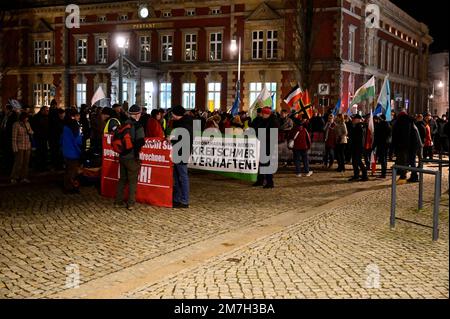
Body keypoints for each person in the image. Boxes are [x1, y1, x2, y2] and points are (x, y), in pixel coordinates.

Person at [115, 105, 145, 210]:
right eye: (140, 113)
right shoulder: (138, 126)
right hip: (131, 157)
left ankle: (118, 201)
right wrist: (136, 154)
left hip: (122, 156)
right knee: (132, 181)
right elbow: (141, 142)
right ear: (137, 115)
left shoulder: (124, 124)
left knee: (122, 179)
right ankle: (131, 203)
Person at [170, 105, 193, 208]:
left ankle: (184, 200)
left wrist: (171, 139)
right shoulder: (182, 123)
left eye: (172, 113)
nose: (171, 115)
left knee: (182, 176)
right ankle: (177, 198)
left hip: (182, 152)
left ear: (176, 114)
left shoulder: (183, 125)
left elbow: (180, 138)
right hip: (179, 151)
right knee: (176, 176)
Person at [392, 109, 422, 184]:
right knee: (412, 161)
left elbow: (396, 136)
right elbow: (416, 135)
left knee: (403, 162)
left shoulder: (399, 123)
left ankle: (403, 176)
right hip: (413, 145)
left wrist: (394, 148)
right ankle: (414, 176)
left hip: (403, 146)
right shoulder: (412, 122)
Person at [253, 107, 279, 189]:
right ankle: (260, 180)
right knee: (260, 163)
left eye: (263, 113)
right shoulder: (263, 120)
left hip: (268, 145)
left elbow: (272, 135)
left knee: (267, 163)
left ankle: (270, 182)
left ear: (267, 114)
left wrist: (261, 136)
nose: (262, 115)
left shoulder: (273, 122)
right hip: (262, 143)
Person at [61, 109, 83, 194]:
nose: (79, 117)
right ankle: (71, 187)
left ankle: (67, 186)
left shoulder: (65, 126)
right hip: (74, 151)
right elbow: (78, 140)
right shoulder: (75, 126)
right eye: (77, 115)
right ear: (73, 117)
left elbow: (61, 139)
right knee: (73, 171)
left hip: (66, 151)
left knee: (67, 170)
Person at [11, 111, 33, 184]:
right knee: (18, 162)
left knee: (26, 163)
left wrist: (30, 132)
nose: (27, 119)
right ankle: (14, 177)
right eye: (26, 117)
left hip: (27, 146)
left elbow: (32, 132)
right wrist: (15, 148)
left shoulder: (27, 124)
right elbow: (14, 137)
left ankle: (24, 177)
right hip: (20, 146)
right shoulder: (16, 125)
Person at [348, 114, 368, 182]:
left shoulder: (359, 127)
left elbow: (358, 138)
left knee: (358, 161)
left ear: (358, 119)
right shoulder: (356, 126)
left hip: (358, 147)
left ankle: (364, 175)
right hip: (356, 146)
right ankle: (356, 175)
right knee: (355, 162)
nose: (353, 120)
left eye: (354, 119)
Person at [30, 105, 49, 171]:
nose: (48, 112)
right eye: (46, 110)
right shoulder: (36, 117)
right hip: (39, 137)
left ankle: (43, 166)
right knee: (39, 152)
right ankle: (39, 166)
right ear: (42, 110)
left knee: (44, 152)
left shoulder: (46, 117)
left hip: (44, 137)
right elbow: (35, 128)